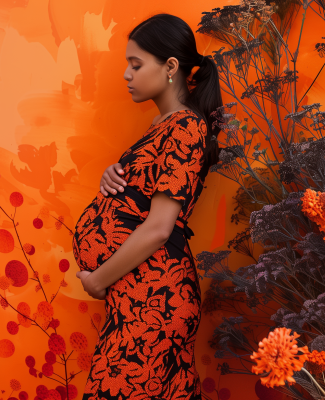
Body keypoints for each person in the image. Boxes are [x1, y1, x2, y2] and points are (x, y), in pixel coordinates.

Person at [73, 13, 222, 399]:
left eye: (136, 65)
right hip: (139, 298)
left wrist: (98, 278)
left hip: (155, 301)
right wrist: (113, 177)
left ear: (170, 67)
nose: (126, 74)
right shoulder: (162, 125)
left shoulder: (186, 127)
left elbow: (159, 227)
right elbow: (140, 196)